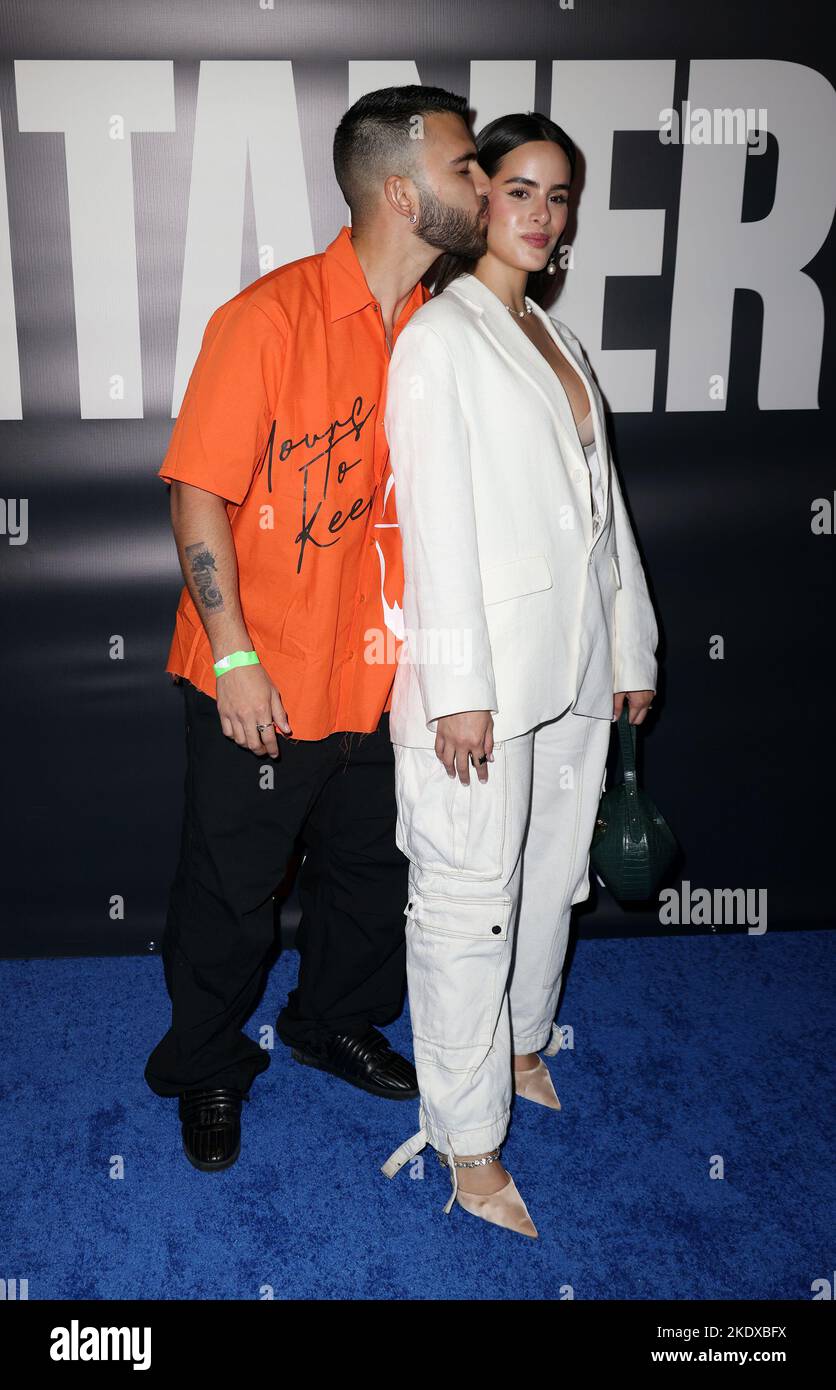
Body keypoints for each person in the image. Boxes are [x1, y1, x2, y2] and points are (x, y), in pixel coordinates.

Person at [144, 85, 493, 1172]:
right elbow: (197, 495)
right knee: (230, 892)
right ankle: (204, 1062)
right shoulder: (266, 319)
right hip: (264, 678)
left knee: (370, 875)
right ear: (400, 190)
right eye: (464, 167)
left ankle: (324, 1020)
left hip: (384, 678)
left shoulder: (446, 331)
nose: (481, 185)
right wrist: (237, 659)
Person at [380, 112, 659, 1235]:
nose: (541, 215)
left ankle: (524, 1041)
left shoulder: (555, 334)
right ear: (477, 197)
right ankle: (468, 1141)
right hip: (478, 687)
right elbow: (433, 522)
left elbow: (605, 517)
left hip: (574, 666)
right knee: (463, 903)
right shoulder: (437, 337)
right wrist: (455, 686)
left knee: (550, 875)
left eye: (559, 196)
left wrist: (628, 644)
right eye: (518, 190)